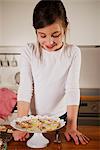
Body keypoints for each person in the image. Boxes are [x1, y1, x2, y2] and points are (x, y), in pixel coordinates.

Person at [13, 0, 90, 145]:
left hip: (59, 120)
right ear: (35, 32)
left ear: (65, 28)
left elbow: (72, 89)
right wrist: (20, 124)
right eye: (42, 36)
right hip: (31, 120)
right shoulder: (28, 51)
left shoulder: (73, 52)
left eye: (55, 35)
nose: (49, 42)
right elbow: (25, 88)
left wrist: (71, 126)